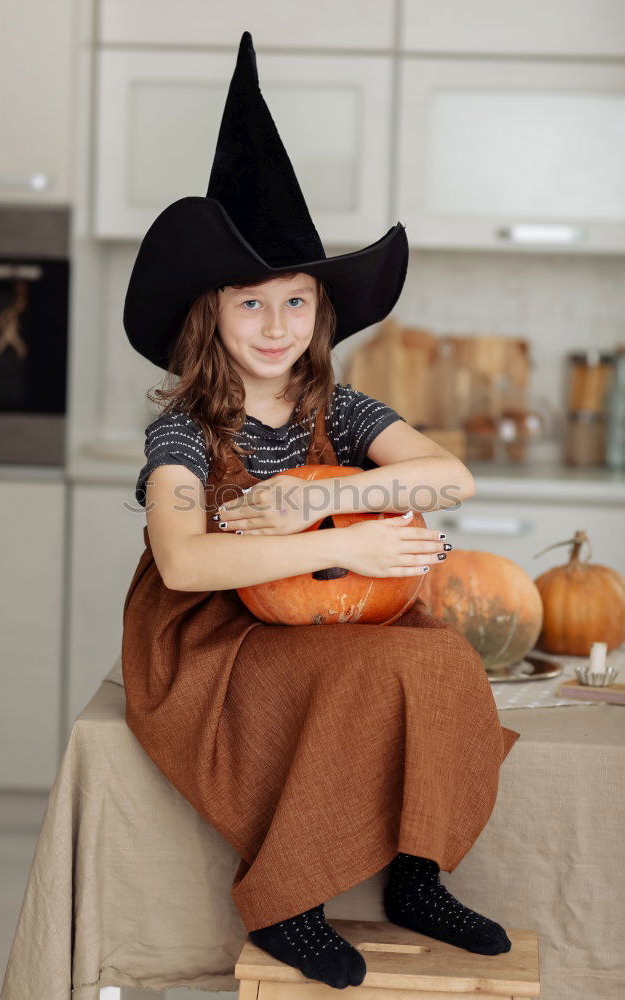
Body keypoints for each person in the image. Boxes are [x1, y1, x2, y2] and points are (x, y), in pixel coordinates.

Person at [120, 30, 521, 992]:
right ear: (210, 312)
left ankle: (419, 875)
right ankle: (289, 897)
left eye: (295, 304)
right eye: (250, 304)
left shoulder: (336, 408)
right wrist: (303, 532)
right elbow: (183, 561)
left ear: (321, 317)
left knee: (437, 656)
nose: (275, 327)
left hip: (330, 597)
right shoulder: (185, 430)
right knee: (343, 678)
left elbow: (449, 476)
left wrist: (325, 498)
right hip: (215, 633)